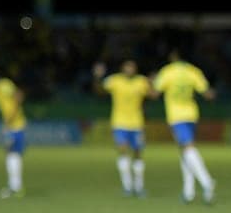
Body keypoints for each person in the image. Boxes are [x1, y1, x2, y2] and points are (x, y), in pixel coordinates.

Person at [152, 49, 217, 204]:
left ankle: (207, 181)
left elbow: (154, 94)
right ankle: (188, 192)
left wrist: (151, 81)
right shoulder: (194, 71)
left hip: (176, 116)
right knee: (184, 152)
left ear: (173, 57)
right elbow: (208, 94)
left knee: (188, 148)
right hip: (192, 114)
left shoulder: (168, 71)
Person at [93, 59, 151, 196]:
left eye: (132, 67)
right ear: (122, 69)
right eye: (127, 67)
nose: (129, 70)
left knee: (137, 153)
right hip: (120, 123)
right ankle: (127, 186)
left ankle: (139, 186)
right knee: (123, 150)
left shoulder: (141, 81)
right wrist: (97, 77)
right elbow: (99, 91)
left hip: (137, 123)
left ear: (135, 69)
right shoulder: (115, 80)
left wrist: (152, 83)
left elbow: (153, 94)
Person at [0, 59, 26, 198]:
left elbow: (18, 95)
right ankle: (15, 186)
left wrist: (10, 118)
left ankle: (15, 187)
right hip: (13, 125)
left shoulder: (3, 84)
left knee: (12, 154)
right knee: (12, 154)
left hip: (15, 125)